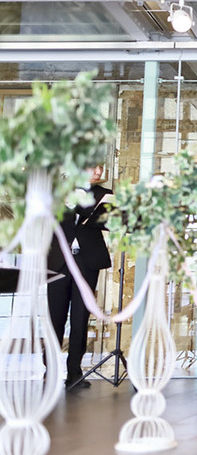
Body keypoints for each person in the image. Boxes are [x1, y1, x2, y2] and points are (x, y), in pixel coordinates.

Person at [47, 164, 113, 389]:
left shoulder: (104, 195)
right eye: (93, 167)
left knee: (80, 318)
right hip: (58, 261)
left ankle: (74, 371)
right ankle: (50, 370)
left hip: (87, 261)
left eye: (101, 168)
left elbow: (108, 224)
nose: (98, 172)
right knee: (54, 317)